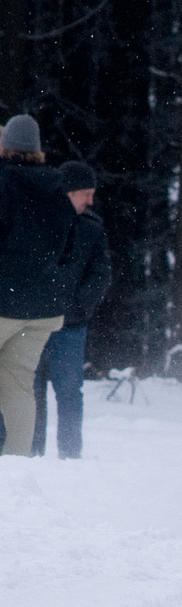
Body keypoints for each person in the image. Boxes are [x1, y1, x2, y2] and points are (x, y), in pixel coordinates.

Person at [0, 114, 78, 456]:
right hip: (44, 309)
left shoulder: (4, 183)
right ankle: (17, 465)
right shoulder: (57, 189)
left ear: (6, 147)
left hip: (4, 300)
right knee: (19, 386)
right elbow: (70, 246)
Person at [32, 161, 111, 459]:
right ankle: (31, 454)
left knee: (68, 393)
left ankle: (70, 455)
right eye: (85, 194)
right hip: (34, 321)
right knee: (30, 391)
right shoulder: (36, 221)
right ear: (68, 192)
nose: (91, 201)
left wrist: (79, 307)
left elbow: (100, 273)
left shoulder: (92, 227)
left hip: (70, 326)